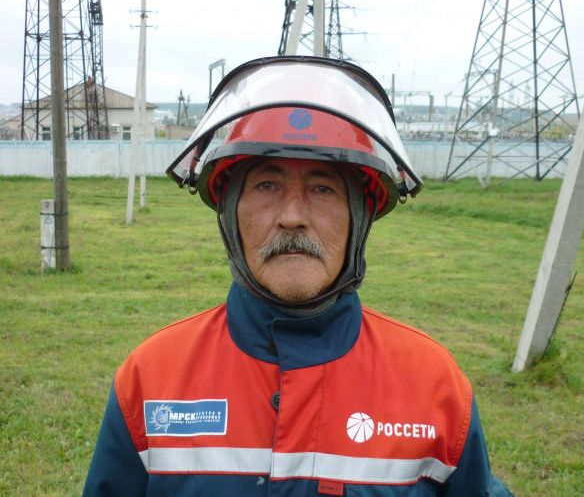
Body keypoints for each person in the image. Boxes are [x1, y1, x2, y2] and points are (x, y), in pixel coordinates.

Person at [83, 56, 512, 496]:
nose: (292, 217)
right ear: (230, 212)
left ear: (359, 217)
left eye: (322, 188)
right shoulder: (150, 380)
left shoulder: (434, 387)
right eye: (266, 186)